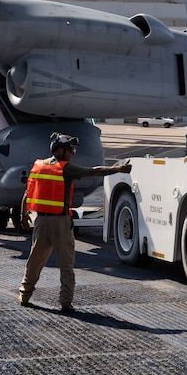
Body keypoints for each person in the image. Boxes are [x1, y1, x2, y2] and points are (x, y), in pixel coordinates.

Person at [18, 132, 132, 312]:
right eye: (71, 150)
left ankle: (24, 295)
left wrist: (23, 215)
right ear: (62, 151)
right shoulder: (66, 169)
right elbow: (94, 171)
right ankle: (65, 303)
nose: (73, 154)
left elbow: (28, 193)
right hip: (60, 223)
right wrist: (118, 169)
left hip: (40, 221)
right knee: (66, 264)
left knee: (34, 262)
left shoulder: (39, 166)